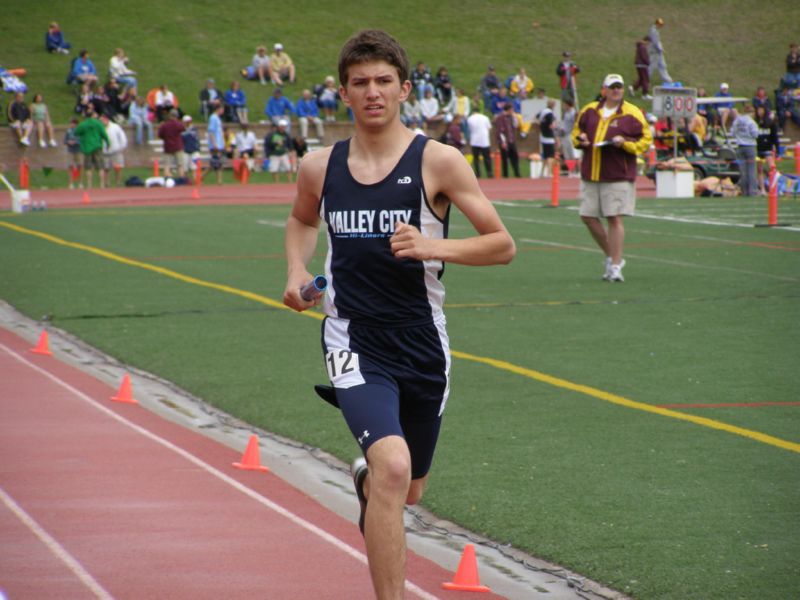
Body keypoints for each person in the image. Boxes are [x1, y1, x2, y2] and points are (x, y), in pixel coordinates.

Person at [281, 30, 515, 600]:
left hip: (423, 342)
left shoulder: (439, 161)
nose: (373, 92)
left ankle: (367, 481)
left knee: (406, 488)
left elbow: (501, 244)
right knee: (392, 467)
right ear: (343, 93)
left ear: (405, 88)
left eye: (384, 81)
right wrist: (295, 271)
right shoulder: (320, 165)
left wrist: (433, 246)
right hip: (353, 337)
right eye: (360, 83)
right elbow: (302, 221)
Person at [572, 73, 652, 282]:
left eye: (620, 87)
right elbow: (575, 133)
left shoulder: (632, 113)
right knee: (587, 216)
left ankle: (615, 266)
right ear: (604, 89)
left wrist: (624, 143)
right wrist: (581, 140)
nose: (617, 90)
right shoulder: (589, 110)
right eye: (613, 87)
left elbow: (645, 141)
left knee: (613, 217)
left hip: (617, 173)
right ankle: (611, 256)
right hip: (592, 172)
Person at [74, 111, 110, 189]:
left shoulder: (83, 124)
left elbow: (76, 132)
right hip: (97, 146)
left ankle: (89, 185)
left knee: (88, 167)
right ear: (93, 115)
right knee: (100, 166)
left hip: (87, 148)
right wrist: (108, 143)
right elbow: (104, 134)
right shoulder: (98, 123)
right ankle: (102, 184)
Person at [729, 105, 759, 197]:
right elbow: (755, 134)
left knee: (743, 171)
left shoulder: (737, 121)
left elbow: (732, 132)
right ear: (751, 113)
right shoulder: (751, 122)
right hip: (750, 146)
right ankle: (752, 192)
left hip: (740, 146)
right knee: (751, 170)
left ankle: (745, 191)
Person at [754, 105, 779, 195]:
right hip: (758, 150)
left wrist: (777, 149)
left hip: (767, 149)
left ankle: (774, 188)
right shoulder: (755, 122)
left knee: (772, 168)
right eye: (758, 110)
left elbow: (775, 137)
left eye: (761, 110)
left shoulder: (770, 123)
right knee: (759, 170)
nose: (760, 112)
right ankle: (762, 189)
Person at [100, 113, 127, 187]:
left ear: (107, 119)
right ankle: (106, 183)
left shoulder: (115, 127)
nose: (102, 121)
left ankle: (118, 182)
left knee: (118, 167)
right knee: (105, 168)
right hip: (104, 151)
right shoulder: (100, 128)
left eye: (103, 120)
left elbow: (122, 137)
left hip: (116, 150)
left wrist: (121, 147)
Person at [157, 109, 186, 179]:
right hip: (178, 146)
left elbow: (160, 135)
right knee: (180, 164)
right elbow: (183, 129)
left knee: (167, 164)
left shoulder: (164, 125)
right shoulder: (178, 124)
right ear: (176, 116)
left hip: (168, 146)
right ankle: (181, 178)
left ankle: (167, 177)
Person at [494, 103, 520, 177]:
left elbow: (516, 125)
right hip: (505, 141)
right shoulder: (500, 118)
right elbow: (500, 131)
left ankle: (517, 173)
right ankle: (505, 175)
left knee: (515, 157)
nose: (513, 111)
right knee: (505, 159)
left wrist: (515, 117)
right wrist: (503, 142)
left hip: (512, 140)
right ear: (508, 109)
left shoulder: (511, 117)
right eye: (512, 109)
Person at [466, 109, 492, 177]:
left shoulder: (470, 119)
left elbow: (470, 129)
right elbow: (489, 128)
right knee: (487, 158)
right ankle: (489, 173)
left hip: (475, 141)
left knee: (476, 158)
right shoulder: (485, 117)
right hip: (484, 141)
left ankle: (478, 174)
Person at [647, 17, 672, 84]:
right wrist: (660, 49)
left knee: (663, 65)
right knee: (651, 67)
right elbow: (655, 42)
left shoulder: (655, 30)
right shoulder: (653, 31)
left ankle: (667, 80)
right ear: (657, 24)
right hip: (654, 52)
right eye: (660, 25)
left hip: (658, 52)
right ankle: (645, 80)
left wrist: (661, 49)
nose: (661, 26)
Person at [537, 99, 557, 177]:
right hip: (549, 136)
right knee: (550, 156)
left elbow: (536, 118)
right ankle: (549, 173)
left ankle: (541, 173)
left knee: (545, 156)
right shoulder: (550, 114)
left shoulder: (542, 112)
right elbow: (552, 125)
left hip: (543, 135)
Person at [207, 104, 225, 184]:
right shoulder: (213, 118)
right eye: (222, 109)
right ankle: (201, 177)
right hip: (215, 144)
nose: (223, 111)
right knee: (215, 163)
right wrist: (214, 143)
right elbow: (211, 132)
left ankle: (219, 180)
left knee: (217, 163)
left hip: (219, 143)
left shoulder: (217, 118)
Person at [64, 117, 83, 189]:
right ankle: (71, 183)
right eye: (71, 123)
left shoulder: (80, 131)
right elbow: (65, 140)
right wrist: (68, 142)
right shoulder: (68, 131)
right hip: (70, 150)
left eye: (73, 123)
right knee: (70, 166)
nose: (72, 125)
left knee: (79, 166)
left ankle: (80, 182)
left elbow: (82, 140)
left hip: (78, 150)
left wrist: (76, 142)